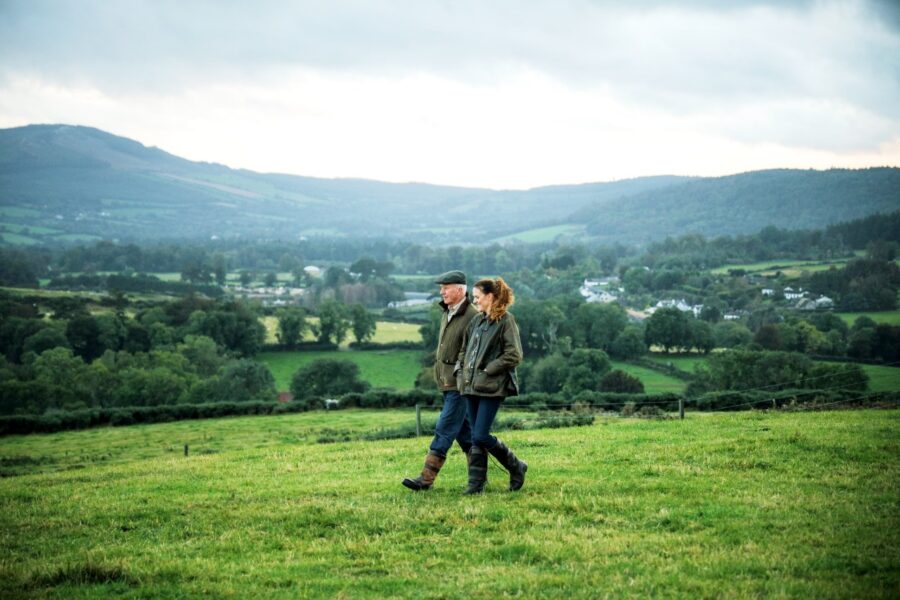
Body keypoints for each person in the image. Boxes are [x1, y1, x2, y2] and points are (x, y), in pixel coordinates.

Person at [402, 270, 479, 491]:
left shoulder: (473, 316)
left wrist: (462, 376)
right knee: (466, 435)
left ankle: (425, 479)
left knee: (444, 428)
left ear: (460, 290)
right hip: (446, 383)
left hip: (461, 385)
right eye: (441, 287)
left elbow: (472, 354)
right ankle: (509, 468)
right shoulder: (446, 313)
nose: (441, 291)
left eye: (446, 287)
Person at [456, 277, 527, 495]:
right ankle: (475, 486)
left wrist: (488, 370)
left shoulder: (506, 321)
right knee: (475, 437)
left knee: (480, 435)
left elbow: (514, 355)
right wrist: (460, 370)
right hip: (469, 386)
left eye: (477, 297)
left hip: (492, 387)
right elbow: (464, 349)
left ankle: (516, 466)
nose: (474, 301)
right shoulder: (476, 322)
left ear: (490, 297)